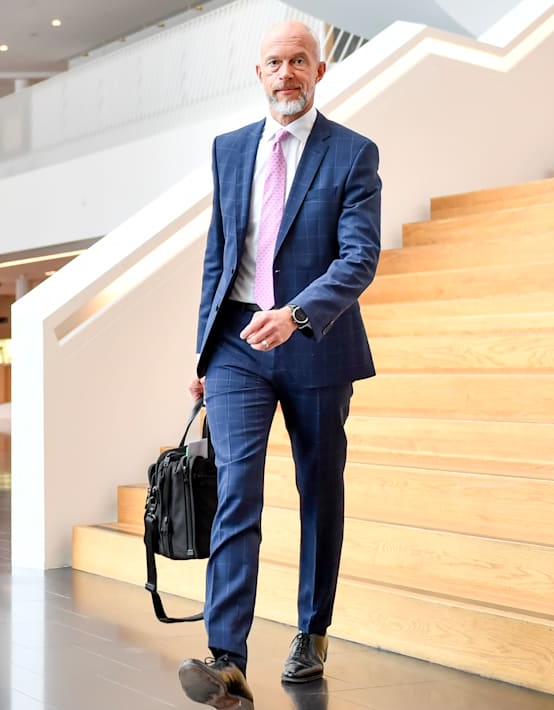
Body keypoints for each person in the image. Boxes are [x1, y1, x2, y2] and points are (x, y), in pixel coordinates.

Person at [179, 20, 381, 709]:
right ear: (259, 74)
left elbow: (359, 258)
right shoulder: (229, 149)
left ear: (319, 71)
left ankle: (312, 631)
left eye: (299, 61)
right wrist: (204, 350)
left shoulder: (352, 153)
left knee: (319, 490)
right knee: (237, 488)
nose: (286, 73)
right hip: (238, 344)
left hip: (316, 343)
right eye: (274, 62)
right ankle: (226, 657)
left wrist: (295, 315)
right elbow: (219, 255)